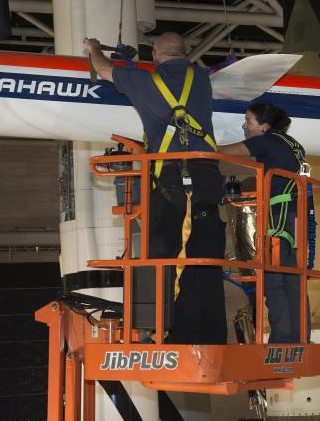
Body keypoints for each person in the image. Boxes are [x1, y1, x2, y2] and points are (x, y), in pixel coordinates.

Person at [84, 32, 227, 345]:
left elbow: (105, 69)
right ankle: (209, 333)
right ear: (186, 53)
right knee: (205, 254)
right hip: (207, 177)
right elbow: (175, 73)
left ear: (155, 57)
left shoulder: (145, 83)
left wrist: (94, 49)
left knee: (162, 254)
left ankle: (163, 332)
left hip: (171, 181)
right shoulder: (200, 80)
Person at [222, 102, 311, 344]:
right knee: (294, 279)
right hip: (297, 217)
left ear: (264, 126)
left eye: (249, 120)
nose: (244, 125)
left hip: (279, 217)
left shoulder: (267, 141)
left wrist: (198, 146)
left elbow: (229, 151)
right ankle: (300, 336)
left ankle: (282, 337)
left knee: (273, 281)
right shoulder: (293, 145)